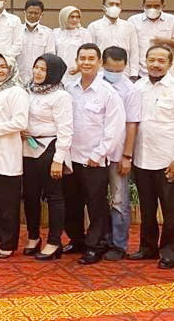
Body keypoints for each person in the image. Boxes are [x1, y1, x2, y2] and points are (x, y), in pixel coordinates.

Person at [129, 45, 174, 269]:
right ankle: (147, 248)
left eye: (161, 61)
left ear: (169, 64)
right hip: (142, 158)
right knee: (147, 209)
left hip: (168, 161)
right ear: (145, 62)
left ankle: (170, 252)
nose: (155, 65)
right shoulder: (137, 87)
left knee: (172, 211)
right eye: (152, 60)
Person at [63, 43, 126, 265]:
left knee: (96, 204)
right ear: (76, 61)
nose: (86, 62)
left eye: (91, 59)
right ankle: (77, 240)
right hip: (71, 158)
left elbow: (115, 128)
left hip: (94, 160)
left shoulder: (108, 93)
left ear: (99, 62)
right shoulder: (69, 89)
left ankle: (95, 245)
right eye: (82, 58)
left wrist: (99, 154)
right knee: (72, 203)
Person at [22, 54, 73, 261]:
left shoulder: (61, 96)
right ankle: (33, 237)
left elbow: (66, 130)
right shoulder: (28, 90)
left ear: (53, 72)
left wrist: (58, 159)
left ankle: (54, 241)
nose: (38, 72)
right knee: (30, 195)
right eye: (36, 67)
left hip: (50, 148)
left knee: (54, 196)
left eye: (43, 69)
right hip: (28, 147)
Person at [0, 53, 30, 258]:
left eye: (3, 67)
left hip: (6, 154)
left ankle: (8, 244)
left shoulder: (17, 92)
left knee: (7, 203)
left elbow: (21, 122)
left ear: (11, 70)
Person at [99, 46, 142, 261]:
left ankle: (118, 244)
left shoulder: (130, 90)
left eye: (118, 70)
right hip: (95, 153)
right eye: (110, 70)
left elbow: (132, 124)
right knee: (96, 199)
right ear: (102, 64)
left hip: (118, 153)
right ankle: (100, 239)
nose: (114, 74)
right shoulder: (95, 82)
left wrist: (127, 155)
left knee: (118, 200)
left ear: (125, 66)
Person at [128, 0, 174, 78]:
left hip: (165, 72)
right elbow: (129, 47)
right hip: (141, 73)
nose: (152, 9)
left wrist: (165, 41)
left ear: (163, 6)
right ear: (143, 6)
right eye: (148, 6)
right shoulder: (133, 21)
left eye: (156, 6)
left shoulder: (172, 20)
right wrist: (133, 73)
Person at [88, 0, 140, 79]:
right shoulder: (94, 26)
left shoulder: (129, 27)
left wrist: (133, 74)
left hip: (124, 73)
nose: (114, 7)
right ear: (103, 7)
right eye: (111, 4)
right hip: (101, 73)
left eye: (117, 4)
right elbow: (90, 52)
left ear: (121, 8)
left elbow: (134, 52)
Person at [48, 6, 92, 80]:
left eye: (77, 17)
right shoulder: (55, 33)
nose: (75, 20)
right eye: (71, 17)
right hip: (59, 73)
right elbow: (51, 53)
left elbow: (89, 53)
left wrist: (79, 67)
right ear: (64, 17)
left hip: (79, 73)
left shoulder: (84, 33)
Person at [18, 0, 52, 77]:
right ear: (24, 12)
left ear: (41, 14)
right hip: (18, 77)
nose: (33, 16)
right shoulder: (16, 31)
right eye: (30, 12)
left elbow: (49, 57)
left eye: (36, 13)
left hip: (39, 77)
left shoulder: (48, 33)